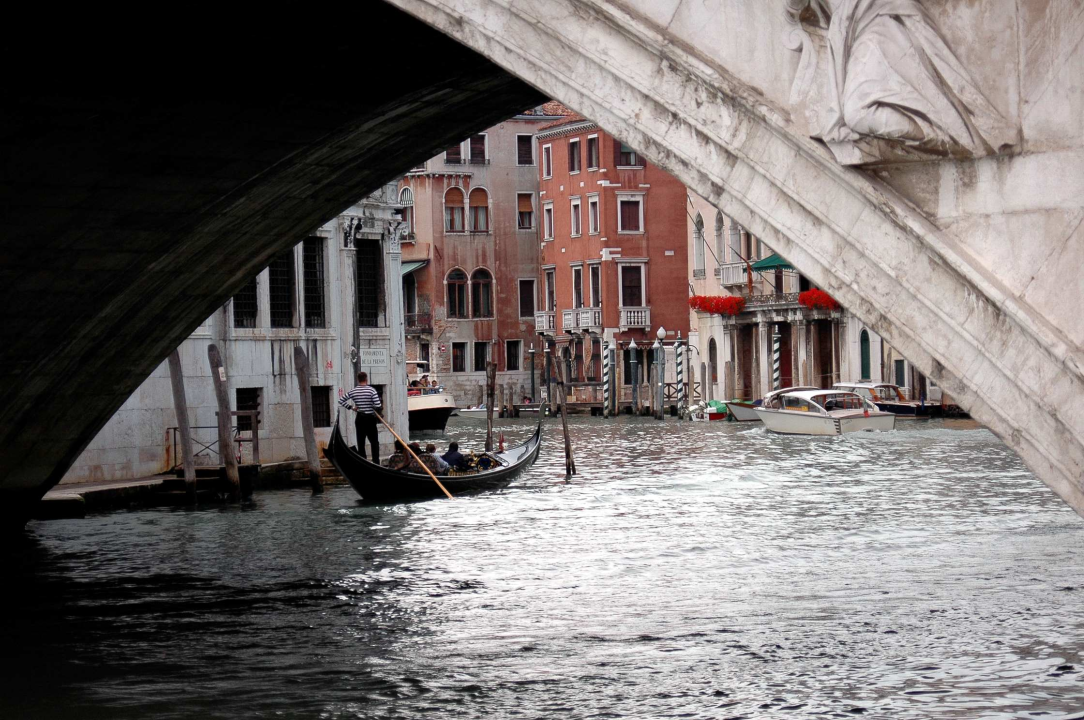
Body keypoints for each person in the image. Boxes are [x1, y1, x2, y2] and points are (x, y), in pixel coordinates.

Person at [338, 371, 382, 464]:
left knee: (361, 442)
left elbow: (341, 400)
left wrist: (352, 408)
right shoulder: (371, 390)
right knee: (374, 442)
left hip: (360, 418)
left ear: (358, 379)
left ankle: (363, 462)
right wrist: (372, 406)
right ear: (366, 379)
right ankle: (376, 462)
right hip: (370, 418)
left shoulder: (353, 391)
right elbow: (378, 405)